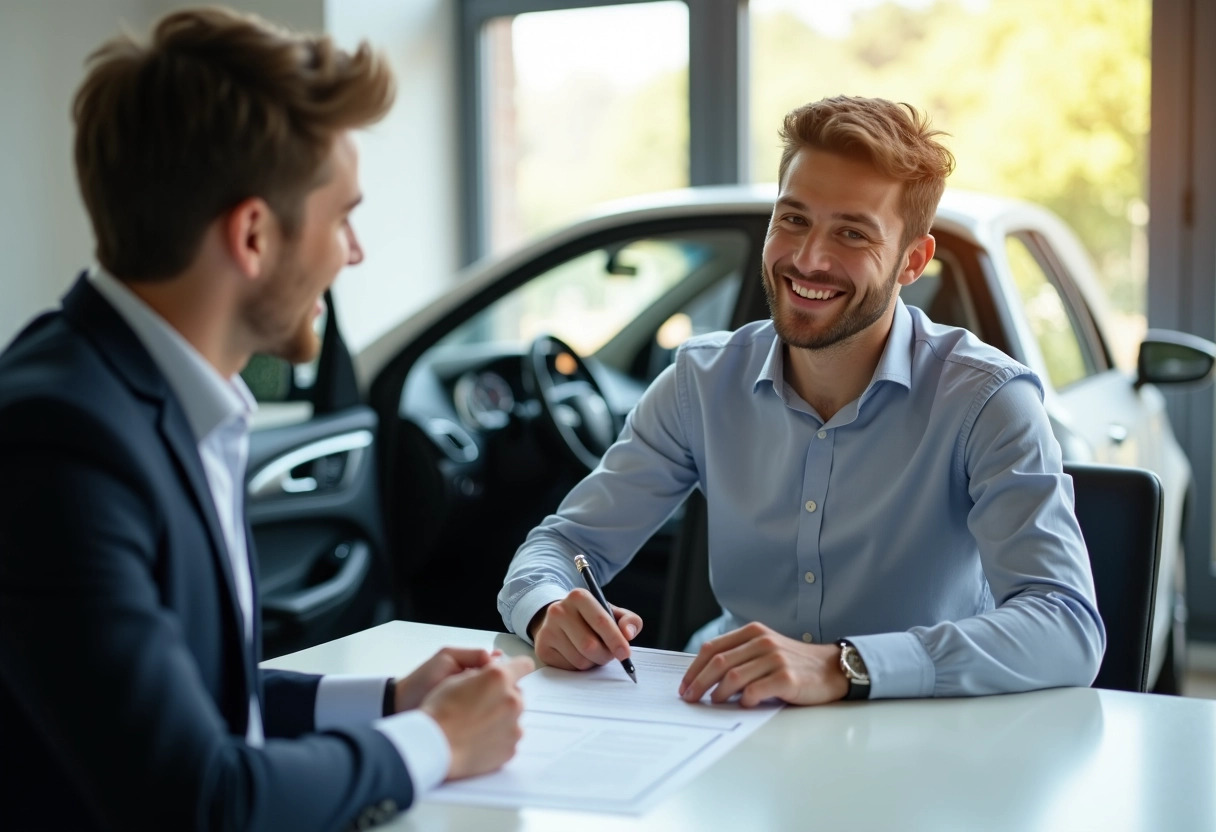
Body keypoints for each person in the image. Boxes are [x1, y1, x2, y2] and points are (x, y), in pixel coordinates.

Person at [0, 8, 532, 830]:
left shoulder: (137, 393)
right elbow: (196, 797)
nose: (352, 253)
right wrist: (434, 741)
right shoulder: (57, 441)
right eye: (341, 217)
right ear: (253, 235)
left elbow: (200, 701)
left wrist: (394, 700)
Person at [498, 95, 1105, 707]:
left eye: (851, 233)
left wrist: (845, 667)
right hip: (728, 719)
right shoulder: (700, 382)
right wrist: (548, 609)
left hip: (914, 735)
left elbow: (1067, 627)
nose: (809, 259)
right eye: (792, 220)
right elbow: (559, 548)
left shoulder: (987, 400)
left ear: (911, 261)